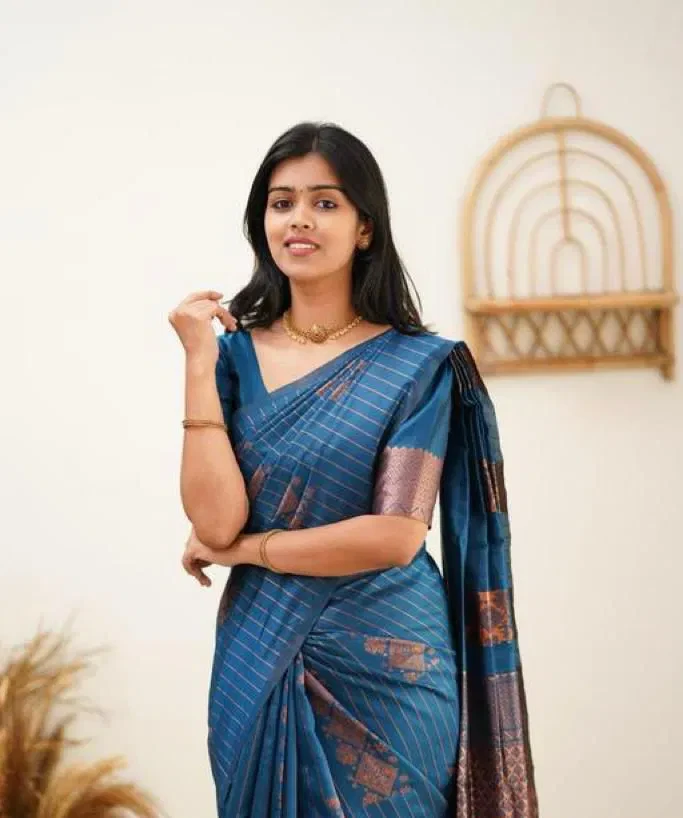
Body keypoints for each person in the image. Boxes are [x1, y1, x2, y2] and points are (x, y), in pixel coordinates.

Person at [168, 122, 538, 817]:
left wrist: (246, 551)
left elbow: (395, 535)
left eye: (325, 202)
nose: (299, 219)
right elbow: (214, 523)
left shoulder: (415, 367)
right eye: (281, 203)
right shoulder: (230, 359)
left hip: (389, 659)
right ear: (262, 224)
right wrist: (196, 361)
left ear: (365, 228)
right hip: (259, 652)